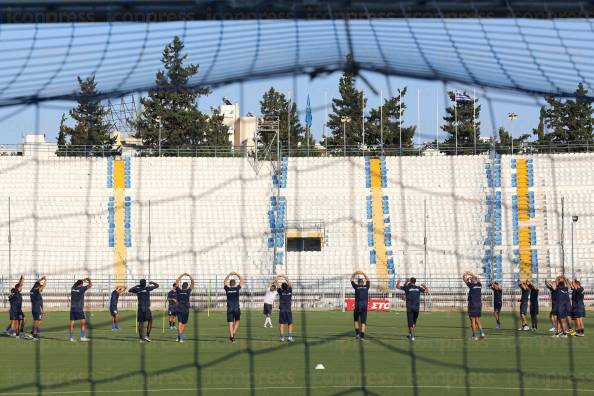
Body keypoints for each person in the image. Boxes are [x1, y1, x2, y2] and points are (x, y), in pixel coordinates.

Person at [396, 277, 428, 341]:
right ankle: (411, 334)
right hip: (416, 307)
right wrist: (424, 286)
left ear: (410, 281)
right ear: (415, 282)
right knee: (414, 322)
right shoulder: (418, 288)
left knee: (410, 322)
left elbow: (398, 286)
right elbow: (426, 291)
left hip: (410, 307)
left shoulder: (407, 287)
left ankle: (412, 336)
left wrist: (398, 281)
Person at [463, 271, 485, 340]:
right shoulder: (479, 285)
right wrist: (472, 274)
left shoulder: (471, 285)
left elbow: (464, 279)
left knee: (472, 320)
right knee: (477, 319)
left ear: (472, 281)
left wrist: (466, 274)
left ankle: (474, 336)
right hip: (479, 304)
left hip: (472, 304)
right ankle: (482, 333)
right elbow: (477, 279)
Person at [69, 277, 92, 342]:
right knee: (83, 322)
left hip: (72, 308)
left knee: (72, 323)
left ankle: (71, 338)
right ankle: (82, 336)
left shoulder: (73, 288)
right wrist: (88, 279)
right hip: (79, 308)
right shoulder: (82, 288)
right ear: (81, 284)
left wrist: (82, 280)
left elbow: (76, 283)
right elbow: (90, 285)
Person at [224, 272, 244, 342]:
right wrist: (236, 274)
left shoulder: (227, 289)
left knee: (230, 323)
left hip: (229, 309)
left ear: (229, 284)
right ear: (235, 284)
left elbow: (224, 281)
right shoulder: (237, 288)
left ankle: (232, 336)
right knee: (237, 321)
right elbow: (242, 280)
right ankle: (233, 333)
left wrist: (229, 274)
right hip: (236, 309)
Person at [174, 272, 194, 343]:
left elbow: (176, 282)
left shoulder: (179, 290)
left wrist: (182, 275)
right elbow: (193, 283)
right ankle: (181, 338)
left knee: (179, 323)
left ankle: (179, 337)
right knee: (183, 323)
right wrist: (189, 276)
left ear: (182, 286)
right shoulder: (188, 291)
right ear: (187, 286)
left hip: (179, 308)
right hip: (185, 309)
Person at [351, 271, 370, 341]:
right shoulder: (366, 287)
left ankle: (357, 334)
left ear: (358, 282)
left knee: (356, 320)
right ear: (363, 282)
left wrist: (355, 273)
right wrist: (363, 273)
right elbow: (368, 279)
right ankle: (362, 337)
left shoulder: (356, 287)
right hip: (364, 307)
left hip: (357, 306)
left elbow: (351, 279)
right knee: (363, 322)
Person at [276, 274, 294, 342]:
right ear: (287, 287)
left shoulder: (281, 291)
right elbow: (290, 285)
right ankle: (289, 337)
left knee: (282, 324)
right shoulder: (290, 291)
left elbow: (277, 284)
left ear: (282, 287)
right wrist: (285, 277)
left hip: (282, 311)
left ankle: (282, 337)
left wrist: (277, 277)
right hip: (288, 310)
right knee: (290, 323)